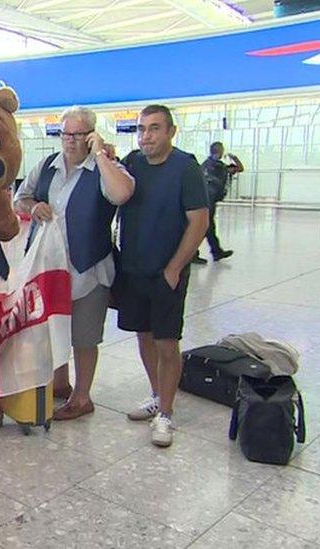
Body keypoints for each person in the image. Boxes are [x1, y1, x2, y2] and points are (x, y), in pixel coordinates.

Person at [14, 106, 135, 421]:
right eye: (65, 133)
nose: (70, 140)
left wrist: (100, 156)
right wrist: (34, 205)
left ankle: (82, 397)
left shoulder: (105, 169)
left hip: (89, 268)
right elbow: (19, 198)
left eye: (79, 134)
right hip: (49, 268)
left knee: (84, 336)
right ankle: (60, 383)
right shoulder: (46, 167)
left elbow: (121, 194)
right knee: (54, 329)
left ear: (92, 135)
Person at [115, 105, 209, 448]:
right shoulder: (133, 163)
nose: (146, 136)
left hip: (166, 272)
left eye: (154, 128)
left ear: (171, 131)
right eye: (141, 129)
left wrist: (174, 268)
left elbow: (199, 221)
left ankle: (166, 413)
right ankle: (156, 394)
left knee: (167, 342)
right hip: (134, 269)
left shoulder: (185, 168)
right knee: (143, 334)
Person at [194, 141, 240, 262]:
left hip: (204, 199)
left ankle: (216, 251)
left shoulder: (205, 165)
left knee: (208, 227)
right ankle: (194, 253)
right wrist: (234, 158)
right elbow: (239, 168)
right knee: (204, 227)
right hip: (208, 200)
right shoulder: (219, 166)